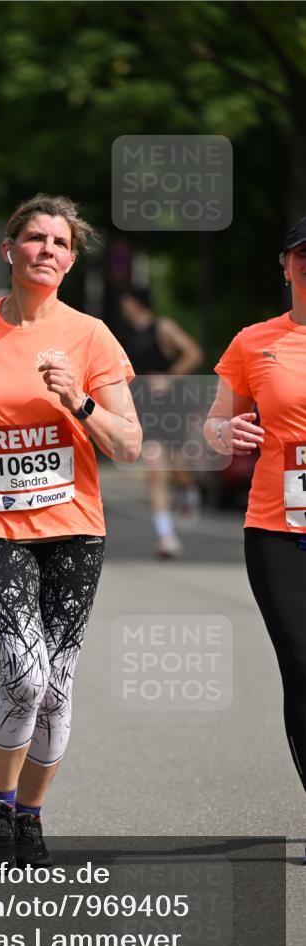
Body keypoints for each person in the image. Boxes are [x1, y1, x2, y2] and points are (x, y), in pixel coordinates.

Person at [0, 194, 141, 867]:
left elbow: (129, 445)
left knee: (57, 680)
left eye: (59, 243)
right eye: (34, 238)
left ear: (70, 261)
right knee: (23, 671)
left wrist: (76, 400)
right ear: (8, 249)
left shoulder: (90, 336)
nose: (46, 250)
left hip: (73, 527)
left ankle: (30, 814)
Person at [204, 216, 306, 821]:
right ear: (287, 266)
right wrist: (227, 432)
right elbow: (215, 427)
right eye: (302, 254)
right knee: (301, 662)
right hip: (277, 529)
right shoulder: (254, 342)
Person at [120, 288, 204, 558]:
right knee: (155, 471)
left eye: (127, 302)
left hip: (172, 405)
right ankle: (166, 536)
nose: (124, 308)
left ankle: (189, 492)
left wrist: (169, 377)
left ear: (137, 303)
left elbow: (193, 353)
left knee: (179, 470)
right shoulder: (127, 336)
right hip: (147, 409)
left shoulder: (162, 326)